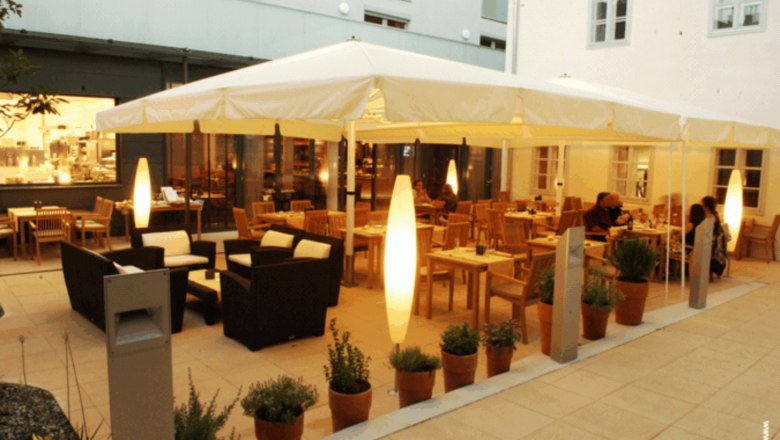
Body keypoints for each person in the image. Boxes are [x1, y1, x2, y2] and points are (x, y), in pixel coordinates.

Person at [701, 196, 728, 277]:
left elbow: (704, 232)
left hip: (710, 246)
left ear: (706, 207)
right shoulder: (715, 215)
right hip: (712, 243)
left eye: (702, 205)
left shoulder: (710, 217)